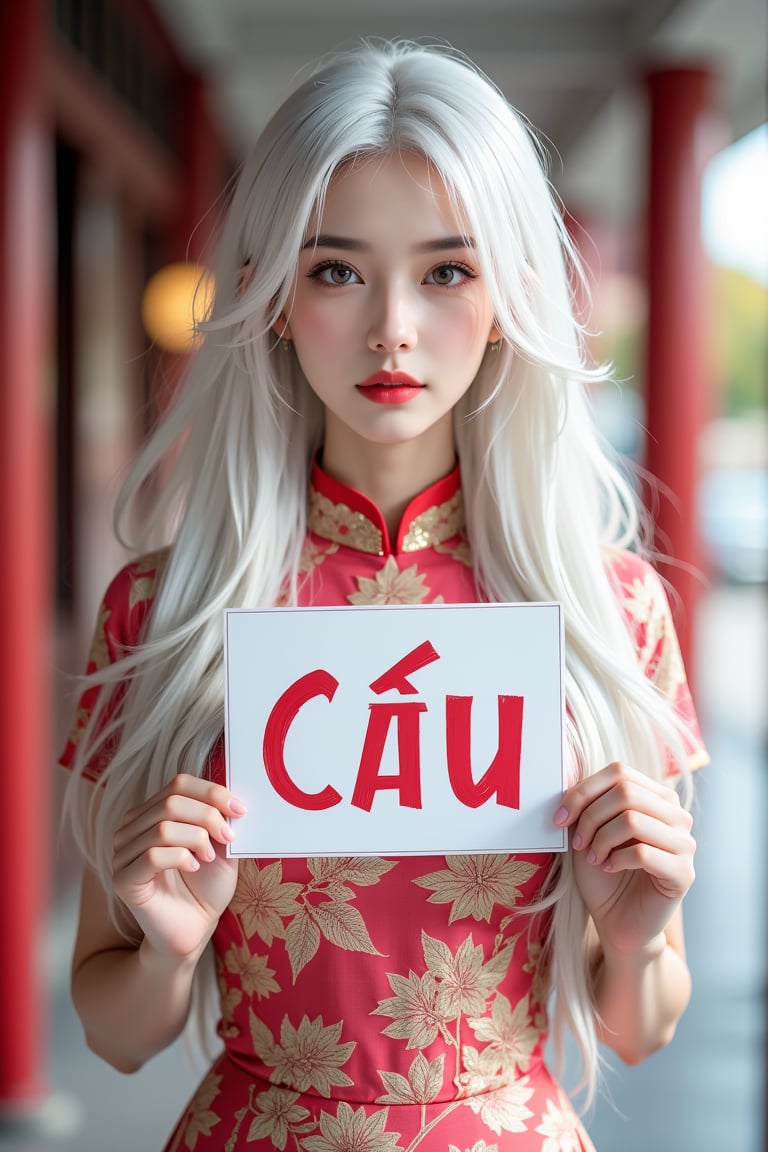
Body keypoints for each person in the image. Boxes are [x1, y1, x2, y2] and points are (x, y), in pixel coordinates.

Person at [61, 39, 708, 1151]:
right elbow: (117, 1035)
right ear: (272, 296)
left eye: (448, 271)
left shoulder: (611, 608)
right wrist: (167, 946)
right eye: (336, 269)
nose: (393, 327)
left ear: (506, 298)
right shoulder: (167, 609)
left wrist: (640, 939)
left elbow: (642, 1031)